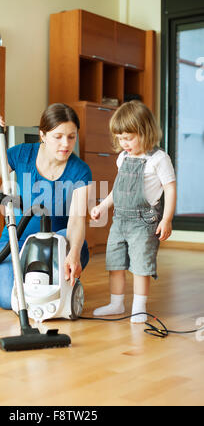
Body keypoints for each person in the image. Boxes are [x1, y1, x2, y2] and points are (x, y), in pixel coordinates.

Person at [0, 103, 92, 309]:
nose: (65, 144)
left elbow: (77, 219)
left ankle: (60, 276)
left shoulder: (80, 170)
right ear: (43, 134)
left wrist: (74, 252)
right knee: (7, 300)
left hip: (58, 240)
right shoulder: (22, 154)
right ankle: (39, 281)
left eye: (71, 136)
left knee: (50, 289)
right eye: (58, 136)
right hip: (19, 238)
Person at [90, 100, 177, 323]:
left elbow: (170, 188)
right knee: (115, 262)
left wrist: (166, 219)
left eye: (128, 138)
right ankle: (116, 303)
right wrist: (102, 205)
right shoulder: (123, 158)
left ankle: (139, 307)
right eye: (119, 138)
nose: (123, 143)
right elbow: (118, 189)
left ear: (145, 132)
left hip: (144, 221)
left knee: (140, 266)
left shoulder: (158, 159)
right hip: (120, 220)